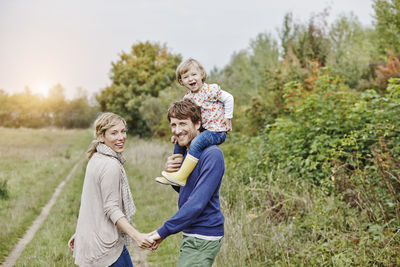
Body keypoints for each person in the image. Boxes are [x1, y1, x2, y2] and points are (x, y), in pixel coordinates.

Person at [68, 112, 154, 267]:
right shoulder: (111, 165)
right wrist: (137, 236)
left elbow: (92, 202)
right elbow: (111, 208)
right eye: (114, 133)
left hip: (92, 241)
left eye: (123, 131)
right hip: (105, 246)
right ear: (101, 136)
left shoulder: (96, 158)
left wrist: (82, 232)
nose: (121, 137)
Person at [150, 100, 225, 267]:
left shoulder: (212, 154)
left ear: (198, 123)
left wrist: (163, 231)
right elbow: (187, 191)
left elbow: (197, 203)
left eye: (183, 124)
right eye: (173, 125)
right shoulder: (188, 153)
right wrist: (172, 175)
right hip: (192, 231)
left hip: (204, 234)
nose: (177, 131)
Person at [155, 58, 234, 187]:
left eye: (194, 74)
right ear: (181, 81)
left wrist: (228, 117)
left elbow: (229, 98)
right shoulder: (188, 98)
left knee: (197, 143)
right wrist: (177, 133)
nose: (191, 79)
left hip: (216, 131)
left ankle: (181, 175)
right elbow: (183, 118)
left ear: (201, 75)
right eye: (186, 77)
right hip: (203, 130)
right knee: (179, 143)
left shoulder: (210, 90)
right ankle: (174, 172)